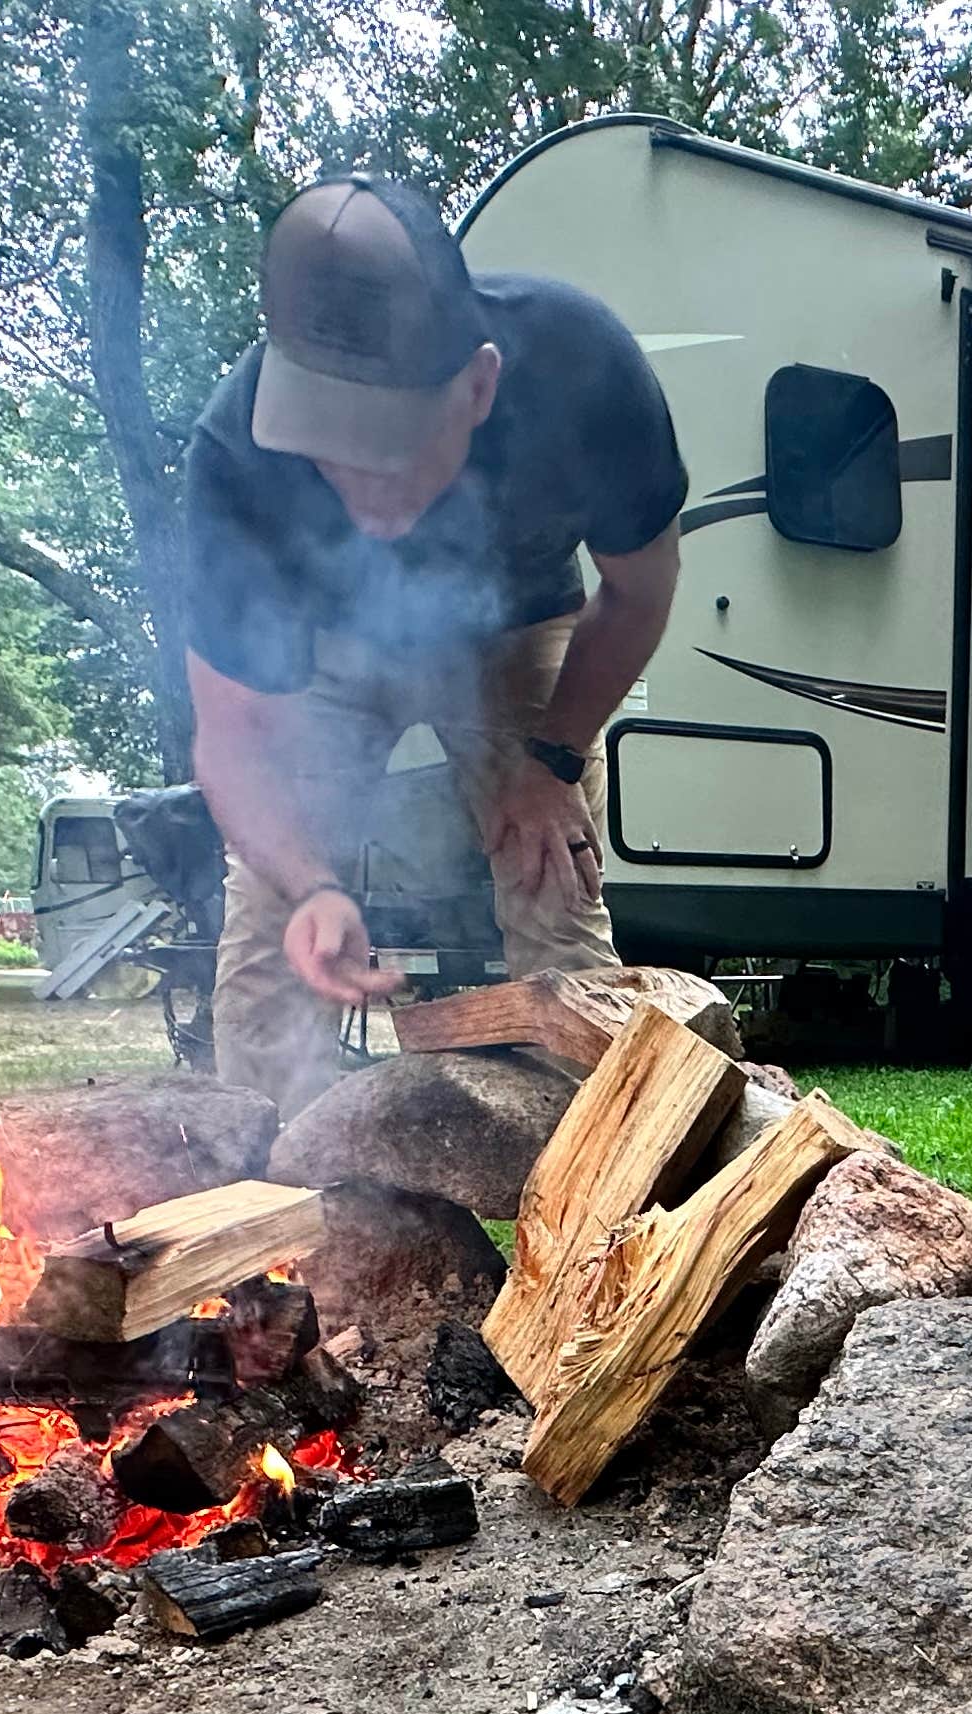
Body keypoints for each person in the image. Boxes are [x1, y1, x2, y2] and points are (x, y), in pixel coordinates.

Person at [181, 171, 686, 1114]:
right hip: (326, 656)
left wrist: (553, 759)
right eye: (330, 459)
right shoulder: (235, 455)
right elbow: (231, 736)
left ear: (479, 385)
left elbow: (640, 589)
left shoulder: (583, 373)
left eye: (391, 454)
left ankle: (602, 1178)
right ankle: (264, 1216)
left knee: (552, 880)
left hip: (517, 629)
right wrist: (314, 884)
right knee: (272, 926)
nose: (362, 504)